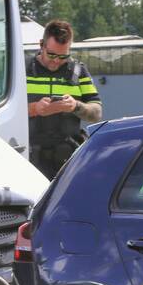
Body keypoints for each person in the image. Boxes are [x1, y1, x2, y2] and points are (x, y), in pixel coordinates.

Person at [27, 20, 102, 179]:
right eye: (52, 54)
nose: (56, 60)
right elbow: (2, 110)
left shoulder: (79, 71)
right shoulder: (22, 70)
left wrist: (76, 106)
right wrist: (34, 109)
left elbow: (96, 112)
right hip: (29, 160)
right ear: (41, 45)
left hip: (68, 162)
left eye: (63, 56)